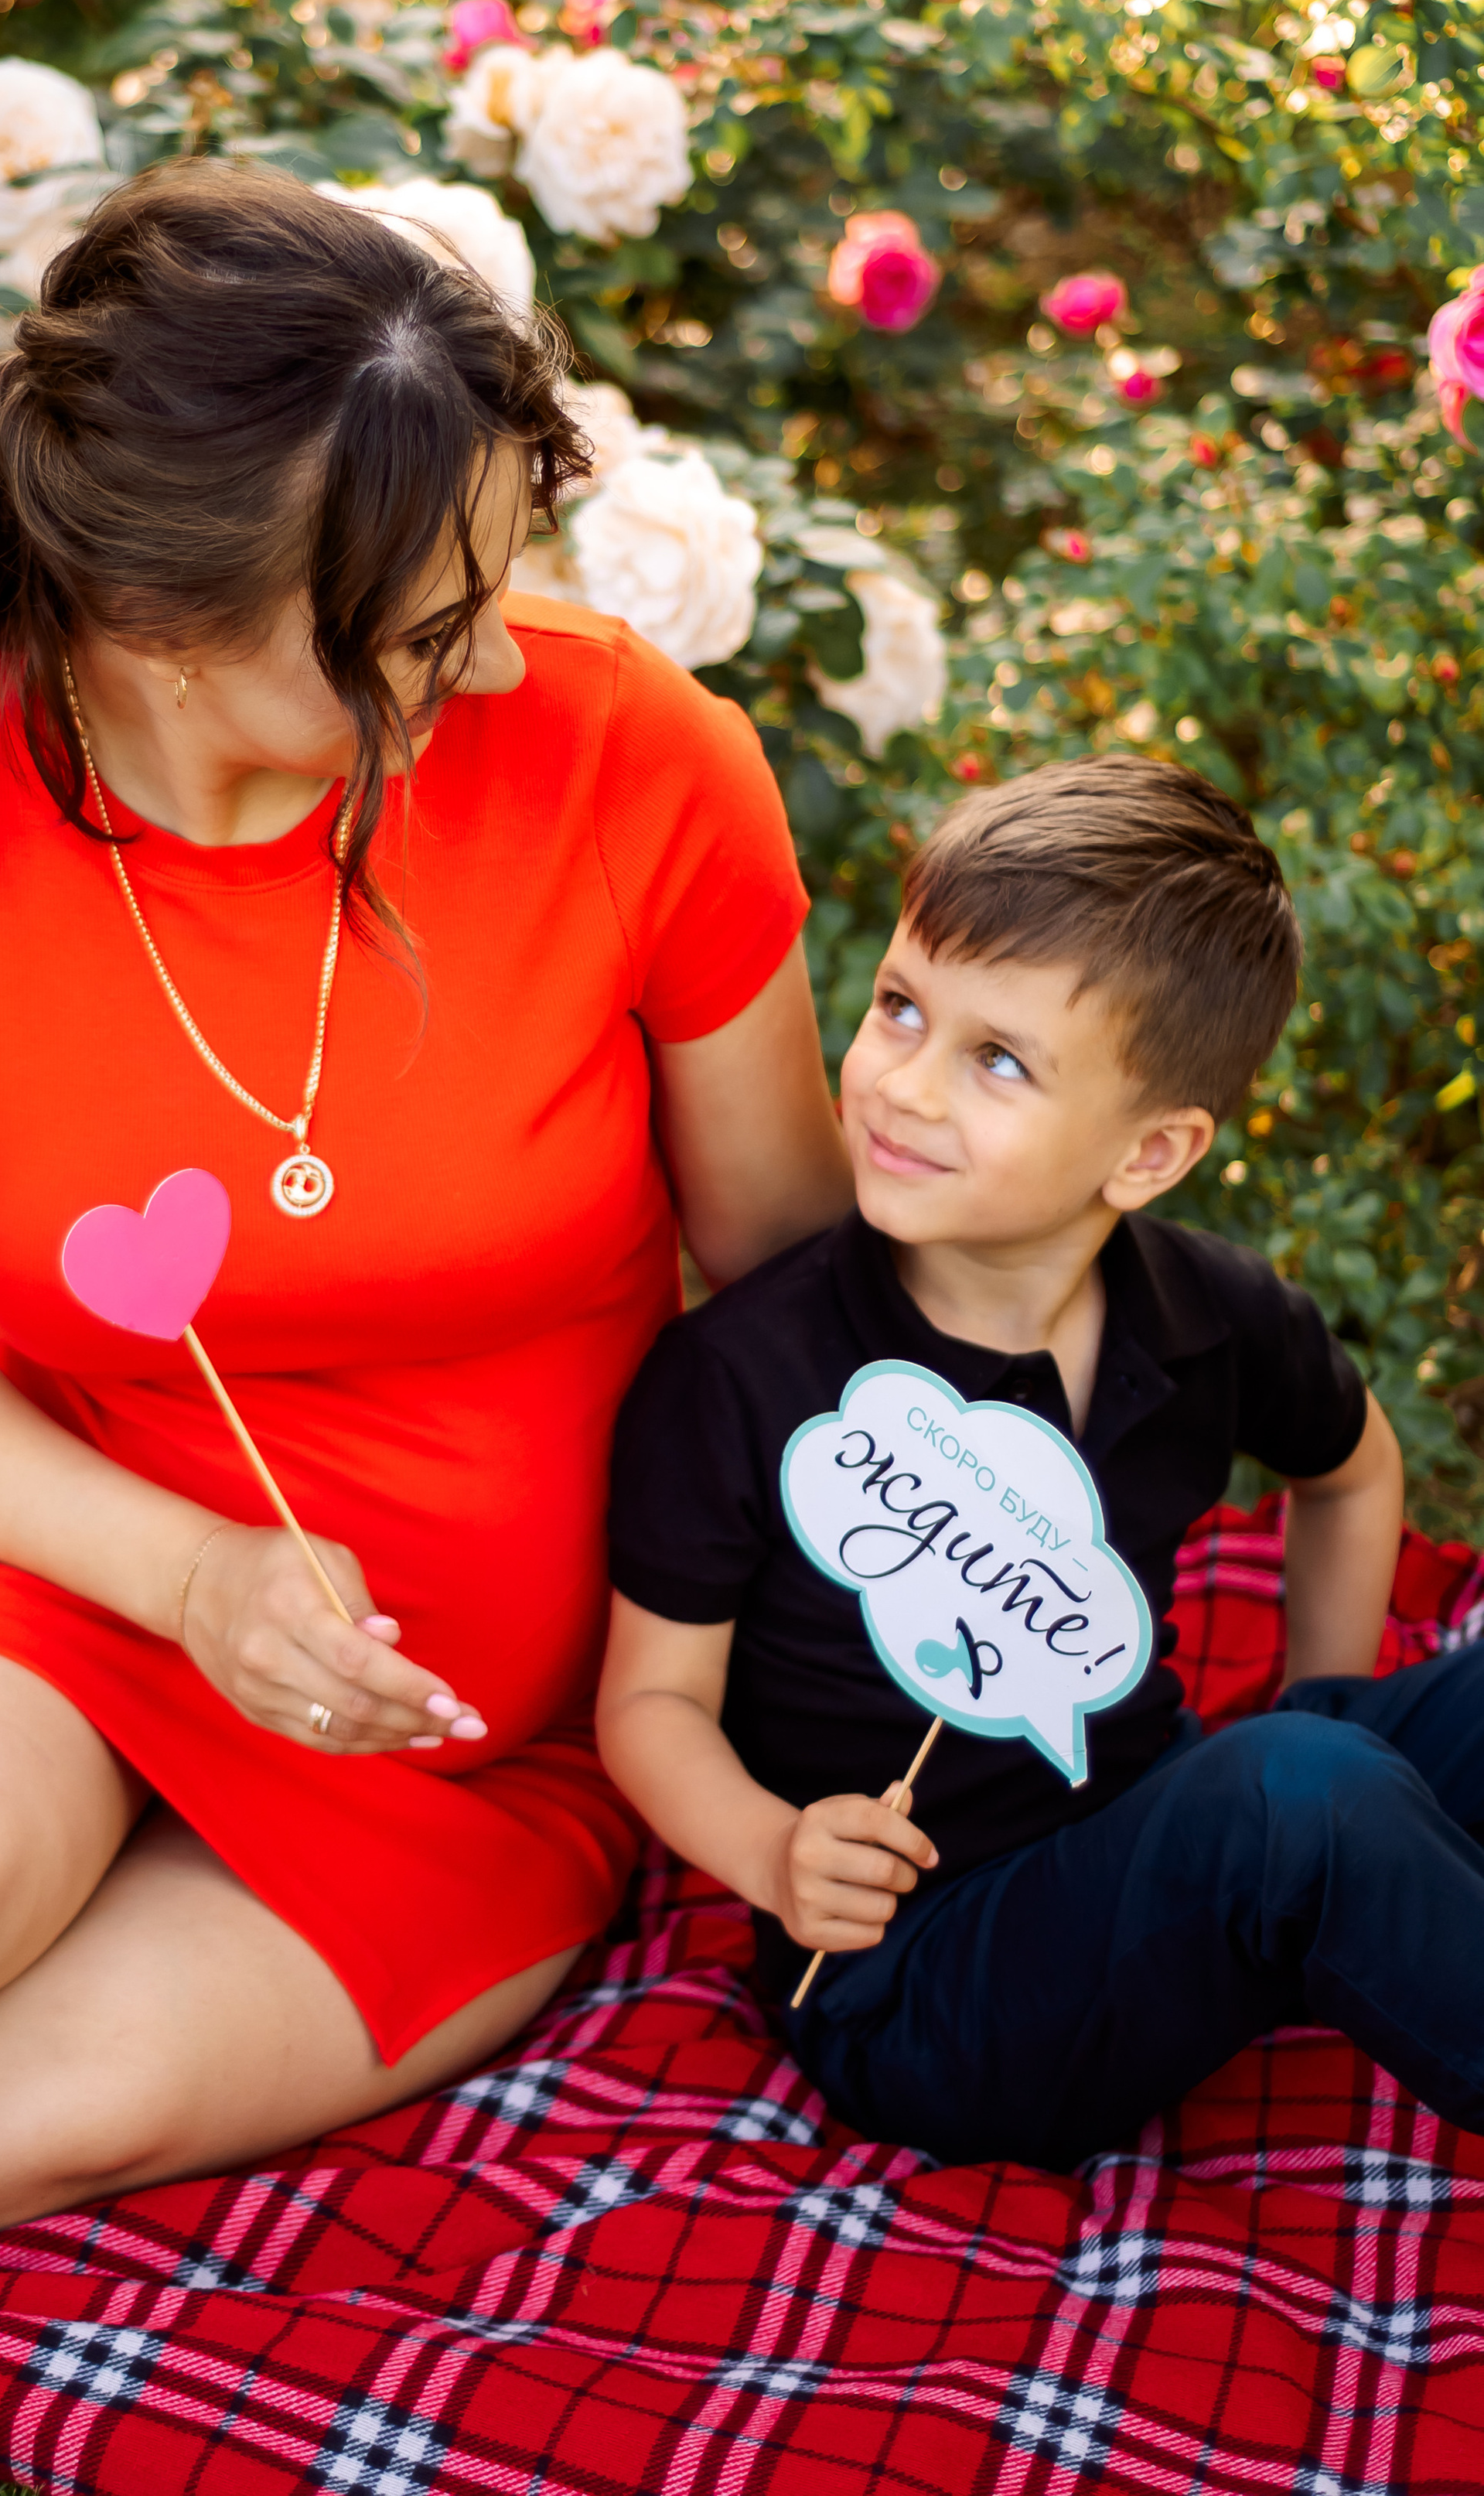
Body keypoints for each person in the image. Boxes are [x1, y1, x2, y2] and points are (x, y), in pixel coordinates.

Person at [0, 162, 852, 2334]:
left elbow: (804, 1299)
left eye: (498, 585)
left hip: (482, 1725)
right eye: (420, 636)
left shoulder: (637, 761)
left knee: (35, 2107)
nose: (497, 659)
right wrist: (190, 1575)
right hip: (59, 1548)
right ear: (161, 630)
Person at [599, 755, 1484, 2173]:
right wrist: (774, 1851)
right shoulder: (748, 1373)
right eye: (899, 1007)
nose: (902, 1083)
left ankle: (1350, 1858)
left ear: (1150, 1151)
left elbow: (1354, 1470)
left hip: (1144, 1824)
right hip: (921, 1980)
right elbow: (647, 1702)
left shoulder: (1211, 1317)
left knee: (1336, 1763)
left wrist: (1336, 1698)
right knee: (1305, 1799)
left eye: (996, 1059)